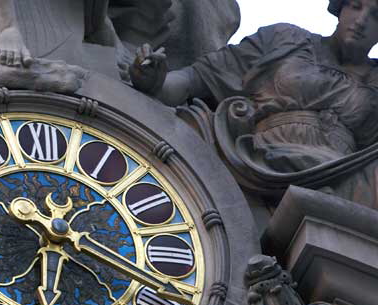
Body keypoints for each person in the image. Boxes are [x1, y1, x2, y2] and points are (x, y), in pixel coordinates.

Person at [131, 0, 378, 207]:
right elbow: (195, 78)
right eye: (355, 6)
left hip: (343, 175)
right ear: (340, 7)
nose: (361, 21)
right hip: (262, 157)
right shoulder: (284, 39)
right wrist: (155, 81)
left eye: (375, 16)